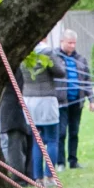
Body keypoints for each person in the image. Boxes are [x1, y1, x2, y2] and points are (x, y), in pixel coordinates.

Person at [19, 48, 64, 179]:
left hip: (29, 99)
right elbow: (60, 71)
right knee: (52, 140)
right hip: (46, 99)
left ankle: (38, 177)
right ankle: (49, 176)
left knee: (36, 141)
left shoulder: (24, 51)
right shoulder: (47, 52)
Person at [53, 31, 89, 169]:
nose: (72, 46)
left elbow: (87, 81)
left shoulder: (80, 59)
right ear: (62, 41)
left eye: (74, 43)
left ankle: (73, 161)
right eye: (70, 43)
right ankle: (60, 162)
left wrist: (91, 100)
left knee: (74, 132)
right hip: (61, 102)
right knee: (61, 133)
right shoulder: (54, 57)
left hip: (77, 102)